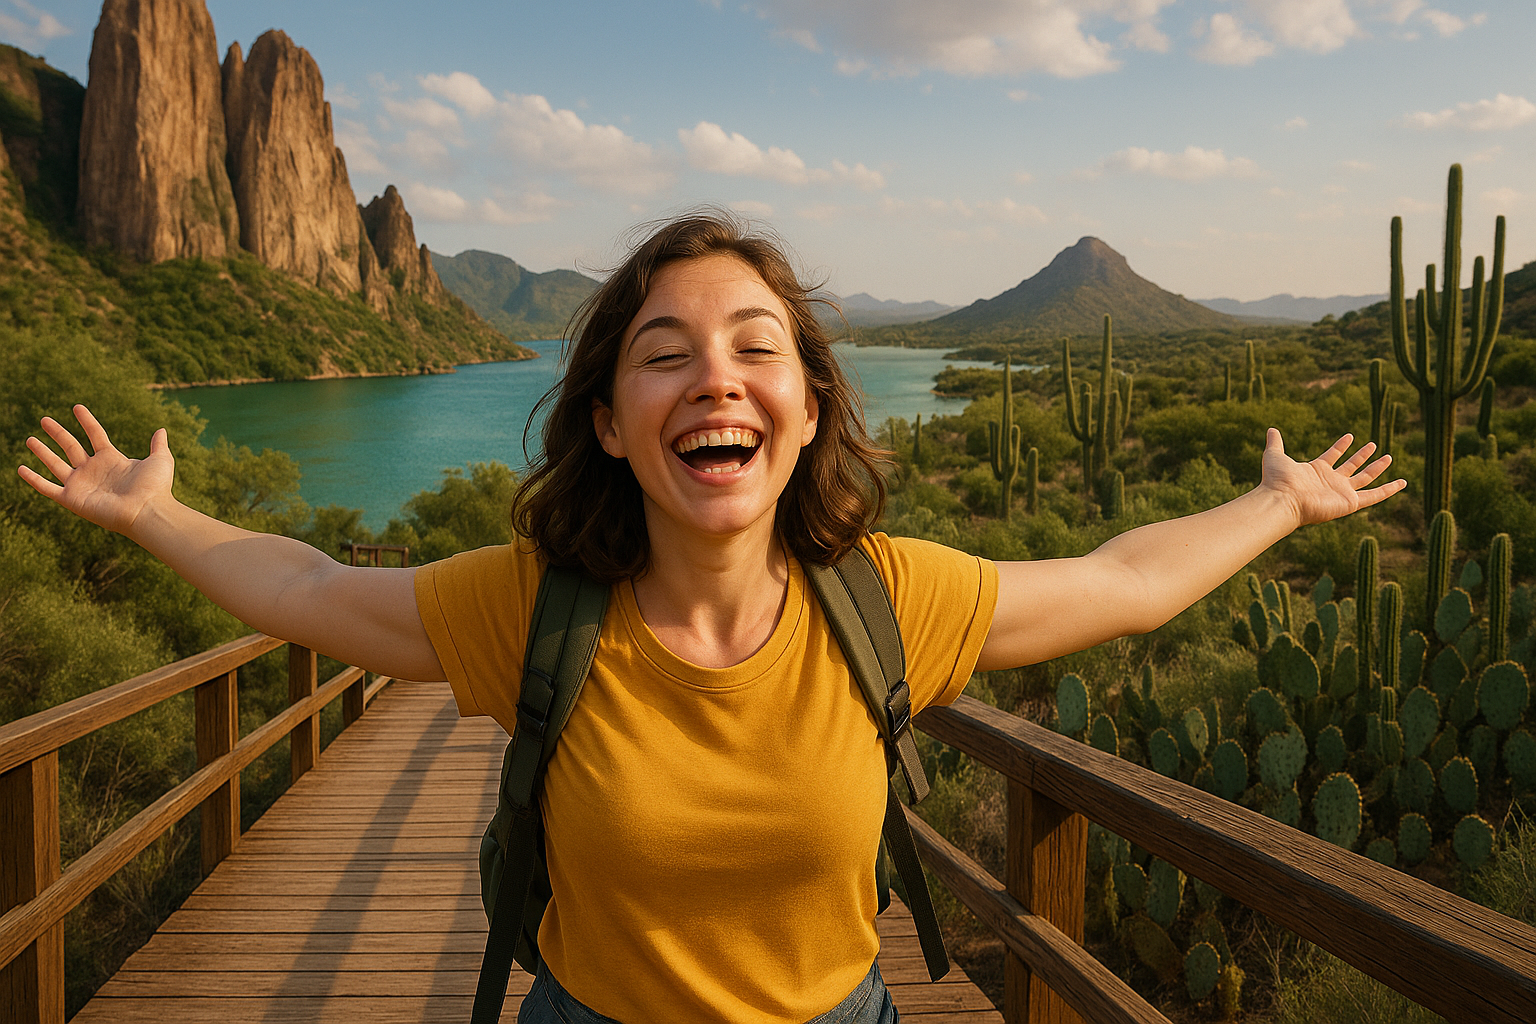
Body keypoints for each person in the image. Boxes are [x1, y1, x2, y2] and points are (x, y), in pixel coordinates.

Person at [18, 212, 1403, 1024]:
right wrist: (152, 515)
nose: (715, 380)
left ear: (805, 407)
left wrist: (1276, 504)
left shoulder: (891, 595)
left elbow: (1121, 582)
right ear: (614, 427)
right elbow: (311, 590)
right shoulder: (533, 607)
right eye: (663, 355)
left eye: (756, 348)